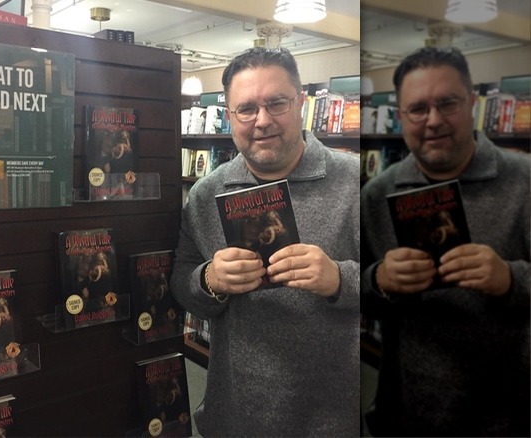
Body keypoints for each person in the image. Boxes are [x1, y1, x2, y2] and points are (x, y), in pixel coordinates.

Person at [171, 47, 360, 436]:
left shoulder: (356, 182)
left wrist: (341, 279)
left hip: (329, 418)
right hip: (235, 414)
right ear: (229, 116)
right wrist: (208, 281)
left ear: (301, 103)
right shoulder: (206, 195)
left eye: (277, 103)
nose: (262, 121)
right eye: (246, 109)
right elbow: (182, 282)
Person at [360, 47, 530, 437]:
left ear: (472, 102)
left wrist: (511, 279)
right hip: (405, 415)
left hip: (511, 418)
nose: (433, 120)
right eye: (418, 109)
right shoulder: (377, 194)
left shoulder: (525, 180)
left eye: (448, 103)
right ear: (401, 117)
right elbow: (352, 294)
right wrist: (379, 280)